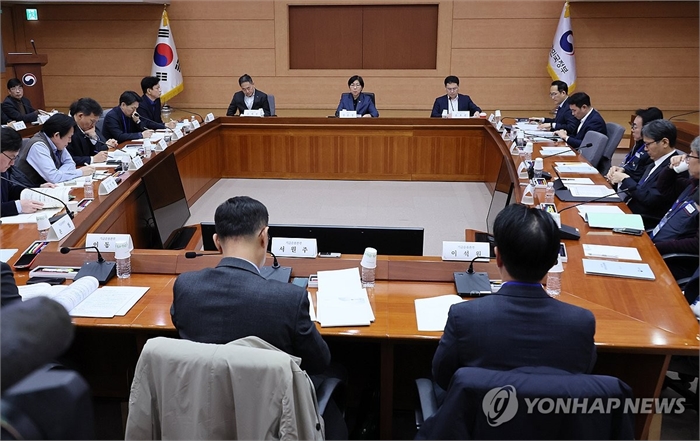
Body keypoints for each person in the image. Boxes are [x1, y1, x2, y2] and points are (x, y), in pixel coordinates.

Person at [432, 203, 596, 391]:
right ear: (553, 262)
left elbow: (442, 377)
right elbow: (583, 374)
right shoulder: (581, 322)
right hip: (550, 409)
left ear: (498, 257)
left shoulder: (464, 316)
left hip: (478, 410)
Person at [171, 196, 330, 375]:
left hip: (202, 389)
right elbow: (320, 362)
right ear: (264, 237)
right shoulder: (290, 299)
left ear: (216, 242)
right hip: (271, 392)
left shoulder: (185, 286)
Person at [609, 119, 683, 224]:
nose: (645, 149)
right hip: (629, 211)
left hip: (644, 220)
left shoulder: (674, 168)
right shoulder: (654, 162)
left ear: (664, 142)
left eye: (648, 144)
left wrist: (625, 179)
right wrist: (620, 172)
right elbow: (640, 185)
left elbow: (650, 199)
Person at [649, 136, 699, 280]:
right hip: (657, 247)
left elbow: (697, 244)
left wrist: (656, 247)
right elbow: (664, 188)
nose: (687, 159)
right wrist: (672, 169)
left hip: (674, 261)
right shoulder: (693, 185)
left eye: (691, 155)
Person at [13, 114, 93, 187]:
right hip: (29, 190)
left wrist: (59, 174)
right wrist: (80, 172)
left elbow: (70, 162)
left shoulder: (57, 142)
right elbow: (53, 178)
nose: (70, 141)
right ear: (56, 135)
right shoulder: (38, 146)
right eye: (69, 137)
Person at [606, 107, 663, 184]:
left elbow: (640, 181)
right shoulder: (639, 143)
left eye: (635, 127)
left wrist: (623, 176)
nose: (632, 130)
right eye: (632, 126)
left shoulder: (652, 152)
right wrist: (620, 169)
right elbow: (630, 165)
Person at [0, 127, 47, 216]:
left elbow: (10, 192)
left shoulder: (2, 170)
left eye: (15, 158)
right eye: (11, 157)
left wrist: (37, 189)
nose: (12, 163)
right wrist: (17, 206)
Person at [66, 97, 118, 166]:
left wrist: (93, 137)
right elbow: (68, 159)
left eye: (96, 122)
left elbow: (99, 148)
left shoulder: (90, 127)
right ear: (80, 116)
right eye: (92, 121)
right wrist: (92, 159)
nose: (94, 125)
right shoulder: (67, 129)